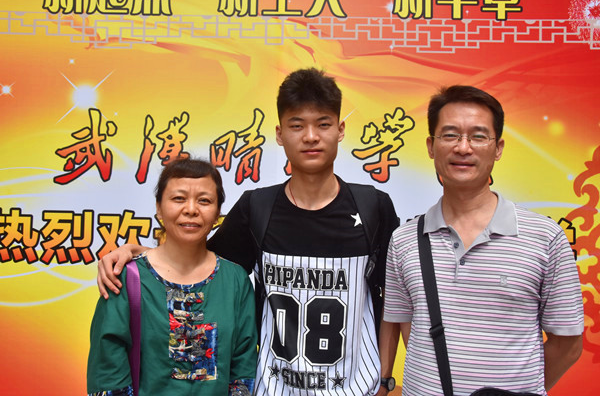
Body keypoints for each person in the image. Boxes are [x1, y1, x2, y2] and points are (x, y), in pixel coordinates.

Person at [96, 68, 399, 395]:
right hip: (274, 389)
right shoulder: (258, 208)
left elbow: (396, 299)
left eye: (323, 124)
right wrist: (137, 253)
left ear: (340, 130)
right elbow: (199, 264)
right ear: (280, 134)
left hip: (356, 389)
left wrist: (384, 380)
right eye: (297, 125)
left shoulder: (372, 207)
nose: (311, 136)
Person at [377, 85, 584, 395]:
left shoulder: (545, 238)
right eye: (450, 135)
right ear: (431, 146)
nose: (463, 148)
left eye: (477, 136)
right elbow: (408, 326)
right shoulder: (404, 240)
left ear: (498, 148)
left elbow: (568, 344)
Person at [87, 158, 257, 396]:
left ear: (218, 212)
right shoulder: (127, 277)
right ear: (159, 207)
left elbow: (243, 368)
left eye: (204, 201)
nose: (191, 209)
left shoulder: (235, 280)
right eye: (178, 198)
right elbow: (107, 371)